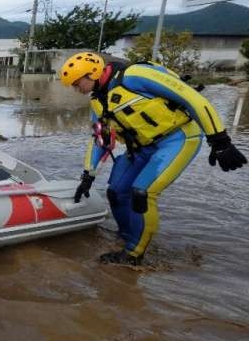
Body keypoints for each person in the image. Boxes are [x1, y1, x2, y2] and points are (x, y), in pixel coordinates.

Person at [59, 51, 246, 265]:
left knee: (142, 193)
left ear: (91, 73)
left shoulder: (135, 76)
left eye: (77, 83)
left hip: (177, 138)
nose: (76, 89)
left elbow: (193, 99)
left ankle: (133, 255)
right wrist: (88, 176)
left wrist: (220, 141)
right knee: (116, 192)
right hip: (141, 147)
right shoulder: (98, 103)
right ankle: (127, 235)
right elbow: (100, 139)